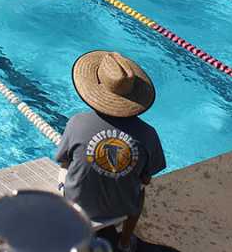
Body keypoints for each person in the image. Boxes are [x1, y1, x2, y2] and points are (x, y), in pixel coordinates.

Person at [55, 51, 166, 252]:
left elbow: (63, 160)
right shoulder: (148, 134)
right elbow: (146, 179)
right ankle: (124, 242)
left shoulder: (77, 122)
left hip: (77, 204)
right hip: (121, 208)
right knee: (140, 191)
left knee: (66, 165)